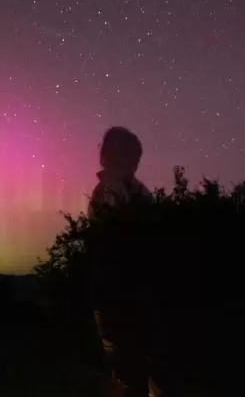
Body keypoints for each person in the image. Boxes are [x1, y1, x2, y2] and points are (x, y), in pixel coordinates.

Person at [88, 126, 158, 396]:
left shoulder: (136, 190)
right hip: (117, 292)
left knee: (135, 365)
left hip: (131, 292)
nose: (135, 162)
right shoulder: (108, 191)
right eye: (131, 156)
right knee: (127, 369)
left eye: (136, 157)